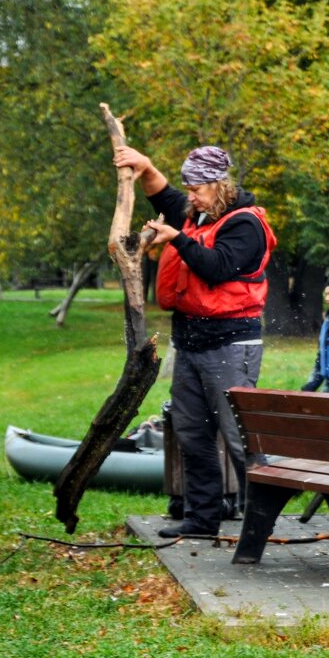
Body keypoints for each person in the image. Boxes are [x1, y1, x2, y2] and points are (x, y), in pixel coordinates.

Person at [114, 143, 277, 538]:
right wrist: (145, 166)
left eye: (197, 188)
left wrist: (176, 240)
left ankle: (261, 523)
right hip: (190, 343)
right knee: (192, 433)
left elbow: (218, 268)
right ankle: (202, 520)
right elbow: (166, 196)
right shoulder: (197, 212)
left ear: (220, 185)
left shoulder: (245, 224)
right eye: (189, 188)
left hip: (231, 345)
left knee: (240, 439)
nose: (190, 196)